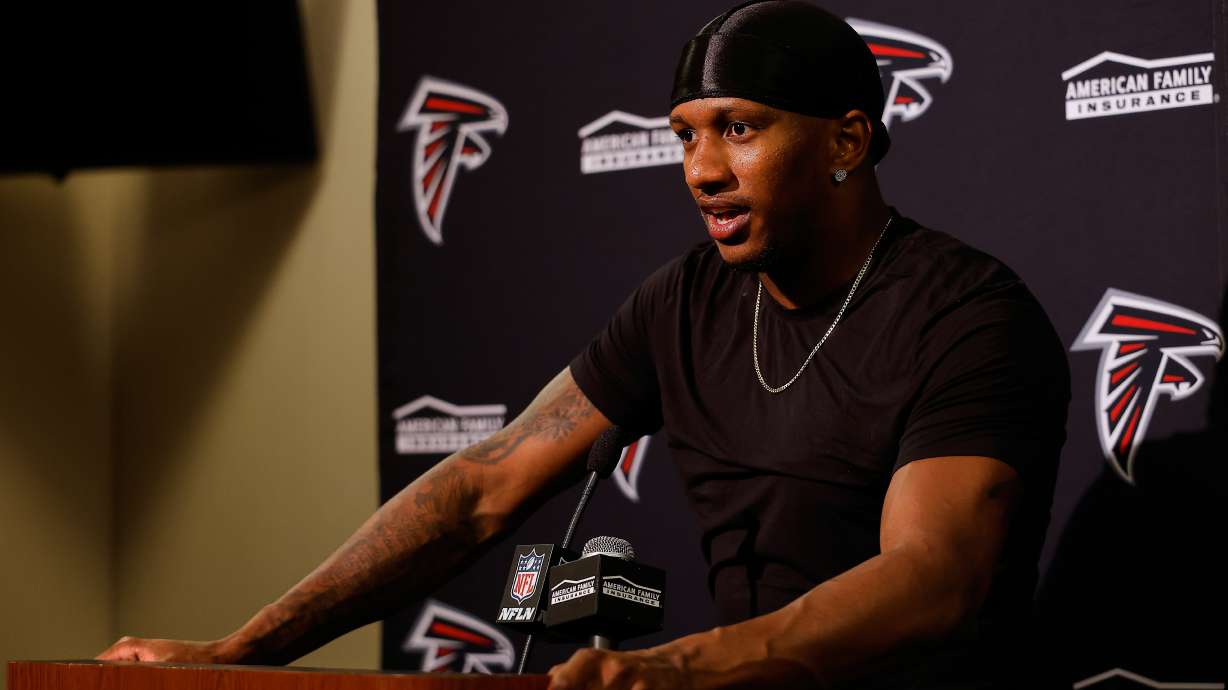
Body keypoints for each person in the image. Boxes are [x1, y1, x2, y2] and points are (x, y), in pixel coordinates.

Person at [98, 2, 1070, 688]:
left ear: (845, 142)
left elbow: (933, 578)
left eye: (738, 129)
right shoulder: (682, 305)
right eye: (683, 135)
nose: (700, 171)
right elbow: (482, 487)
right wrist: (242, 655)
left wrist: (680, 666)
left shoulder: (967, 316)